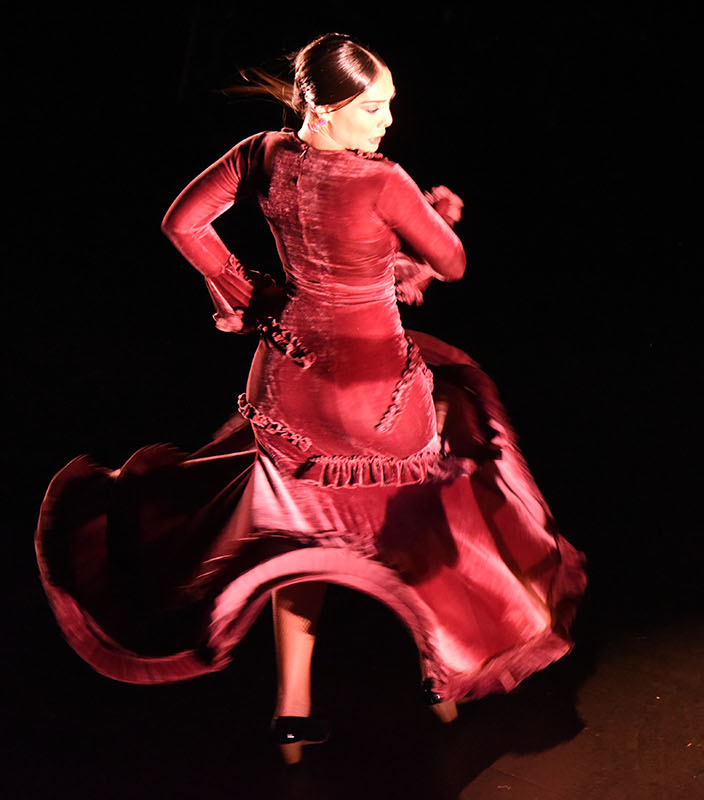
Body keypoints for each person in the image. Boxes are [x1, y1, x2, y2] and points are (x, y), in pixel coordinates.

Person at [35, 33, 585, 765]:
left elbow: (182, 222)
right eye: (373, 106)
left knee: (300, 545)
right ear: (325, 110)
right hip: (375, 392)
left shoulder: (260, 153)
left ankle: (293, 712)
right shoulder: (381, 179)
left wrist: (244, 287)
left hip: (291, 386)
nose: (387, 120)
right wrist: (415, 224)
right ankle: (444, 674)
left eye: (389, 104)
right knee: (418, 526)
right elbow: (451, 265)